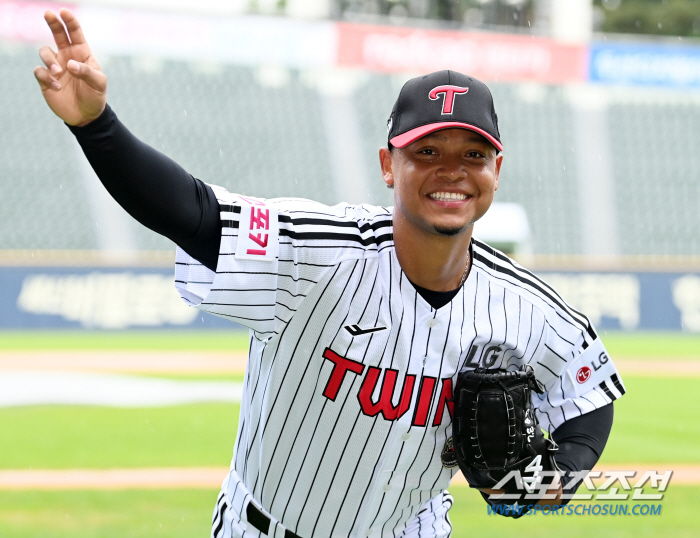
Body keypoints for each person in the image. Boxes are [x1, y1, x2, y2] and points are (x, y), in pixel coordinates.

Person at [34, 9, 625, 537]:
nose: (452, 172)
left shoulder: (525, 306)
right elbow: (190, 212)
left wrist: (549, 480)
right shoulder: (313, 253)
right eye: (426, 152)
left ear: (497, 170)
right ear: (388, 166)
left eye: (472, 155)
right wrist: (96, 124)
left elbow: (589, 392)